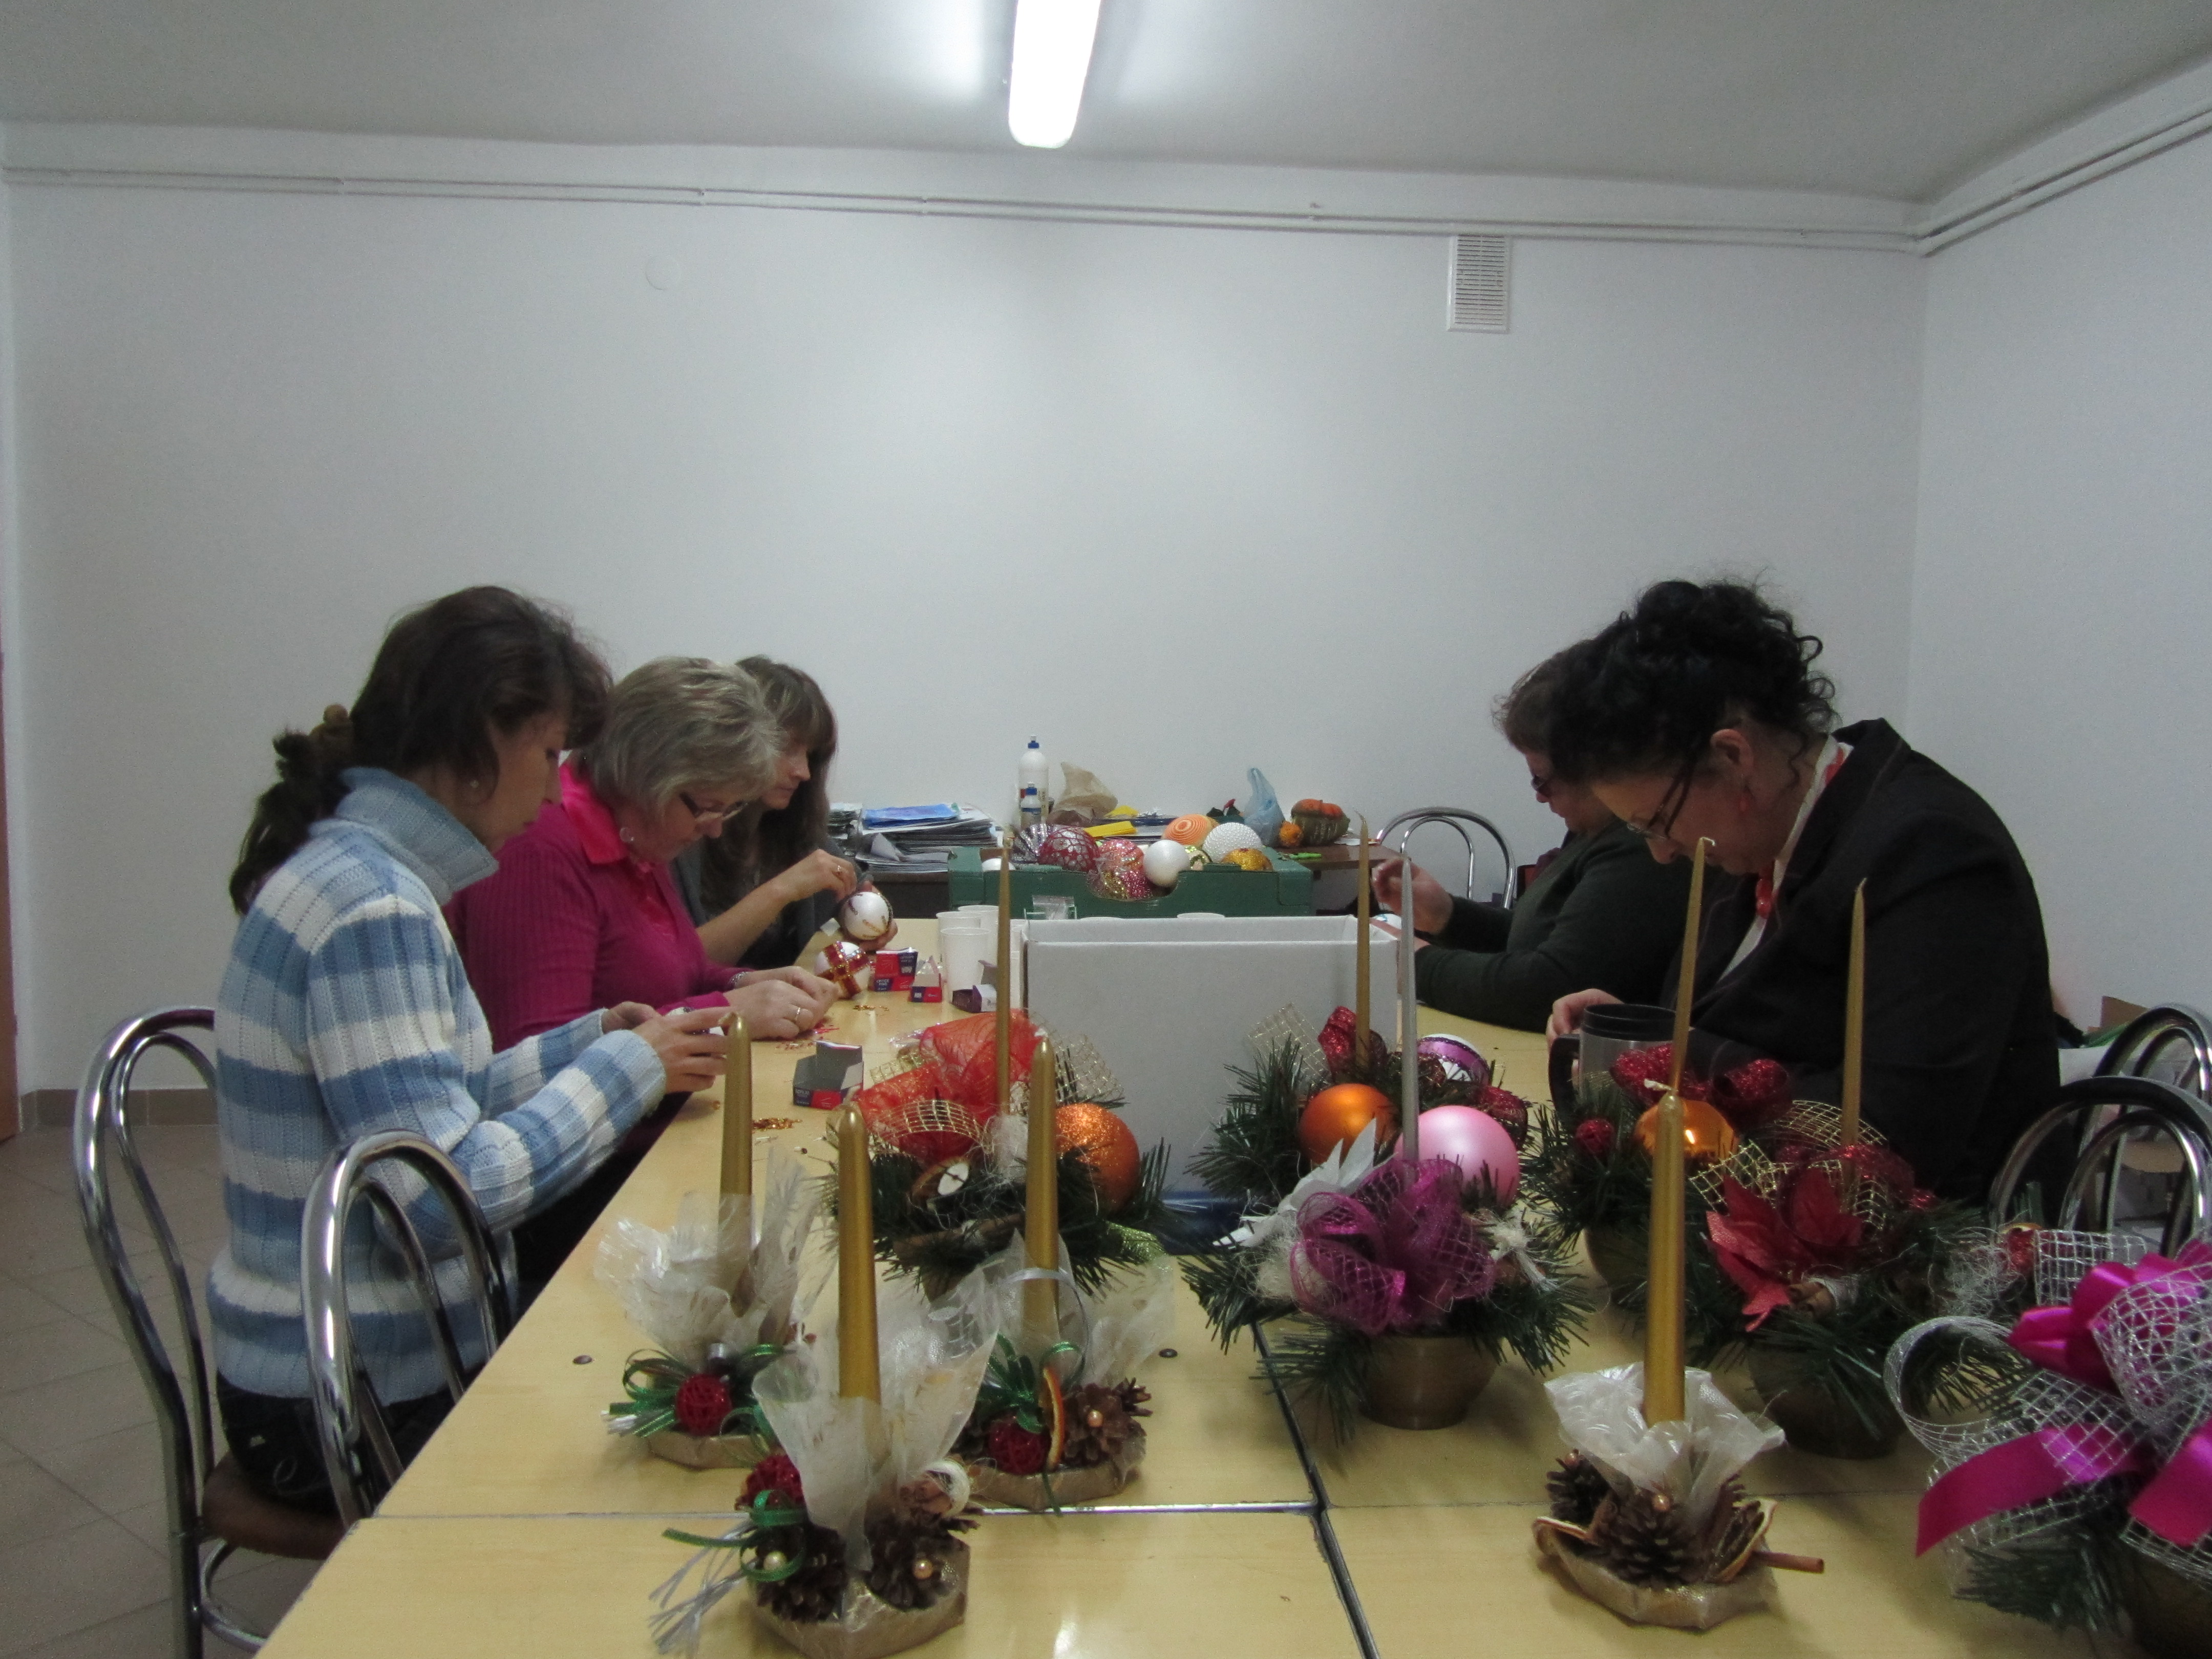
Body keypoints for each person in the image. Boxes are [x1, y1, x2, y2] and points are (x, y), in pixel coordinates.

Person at [212, 587, 729, 1512]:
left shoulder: (362, 872)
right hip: (346, 1400)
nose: (554, 786)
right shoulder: (374, 907)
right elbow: (440, 1204)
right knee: (666, 1439)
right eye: (549, 752)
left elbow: (429, 1110)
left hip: (325, 1376)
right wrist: (628, 1072)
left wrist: (591, 1042)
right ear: (480, 743)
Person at [1542, 579, 2056, 1199]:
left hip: (1907, 1240)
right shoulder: (1760, 839)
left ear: (1734, 758)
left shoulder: (1933, 849)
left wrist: (1671, 1053)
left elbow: (1891, 1131)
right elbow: (1747, 1025)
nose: (1661, 851)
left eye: (1656, 822)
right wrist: (1637, 1034)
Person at [445, 656, 836, 1286]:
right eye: (706, 807)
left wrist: (745, 983)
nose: (714, 830)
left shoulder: (637, 837)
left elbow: (679, 969)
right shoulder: (542, 849)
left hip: (647, 1142)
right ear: (651, 773)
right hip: (583, 1197)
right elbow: (535, 1061)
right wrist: (724, 1015)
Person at [1373, 654, 1691, 1032]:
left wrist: (1415, 965)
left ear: (1594, 768)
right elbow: (1541, 942)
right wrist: (1450, 916)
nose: (1540, 797)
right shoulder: (1593, 833)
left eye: (1542, 780)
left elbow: (1549, 985)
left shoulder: (1641, 850)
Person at [674, 657, 862, 969]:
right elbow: (677, 968)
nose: (804, 772)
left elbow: (855, 886)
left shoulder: (786, 825)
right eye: (787, 749)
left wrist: (858, 910)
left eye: (810, 755)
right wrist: (782, 890)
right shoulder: (681, 831)